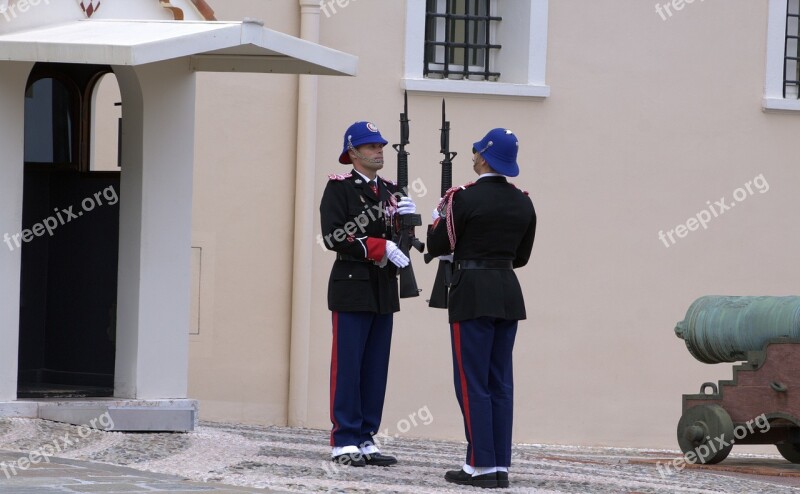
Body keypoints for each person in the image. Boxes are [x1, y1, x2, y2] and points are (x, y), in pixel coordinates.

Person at [426, 128, 536, 489]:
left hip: (471, 293)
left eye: (476, 152)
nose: (472, 157)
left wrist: (437, 217)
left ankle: (479, 465)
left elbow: (438, 242)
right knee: (500, 382)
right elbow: (521, 256)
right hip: (507, 292)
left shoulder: (463, 198)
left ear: (485, 157)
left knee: (472, 382)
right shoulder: (523, 201)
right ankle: (499, 464)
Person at [319, 121, 417, 467]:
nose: (379, 151)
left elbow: (402, 240)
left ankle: (365, 436)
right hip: (351, 286)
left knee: (375, 368)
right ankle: (343, 438)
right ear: (353, 152)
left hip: (383, 289)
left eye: (380, 146)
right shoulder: (340, 189)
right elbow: (333, 237)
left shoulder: (391, 192)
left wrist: (408, 219)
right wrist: (380, 247)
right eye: (371, 146)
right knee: (348, 366)